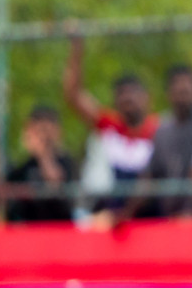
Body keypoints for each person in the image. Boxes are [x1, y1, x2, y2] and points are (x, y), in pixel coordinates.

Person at [63, 36, 159, 206]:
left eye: (134, 93)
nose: (128, 98)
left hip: (149, 215)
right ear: (115, 100)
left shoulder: (159, 129)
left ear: (147, 99)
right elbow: (74, 95)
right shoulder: (109, 125)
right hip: (108, 211)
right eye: (122, 93)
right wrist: (77, 50)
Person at [128, 65, 192, 219]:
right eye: (178, 91)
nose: (182, 96)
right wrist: (127, 212)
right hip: (169, 218)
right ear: (168, 94)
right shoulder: (163, 129)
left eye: (186, 91)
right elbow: (150, 176)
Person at [6, 106, 77, 222]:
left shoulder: (67, 163)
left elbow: (56, 185)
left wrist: (43, 155)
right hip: (30, 232)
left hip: (60, 230)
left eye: (46, 132)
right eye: (38, 132)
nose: (42, 137)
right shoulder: (24, 167)